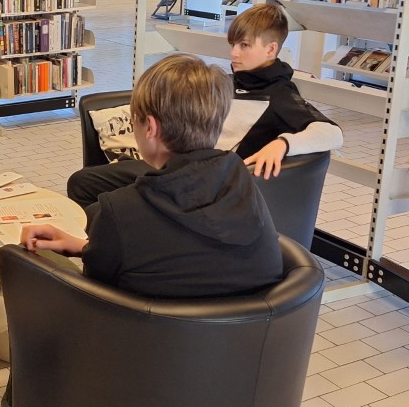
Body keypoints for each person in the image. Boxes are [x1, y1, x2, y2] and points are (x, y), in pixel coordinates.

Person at [22, 53, 282, 298]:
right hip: (248, 328)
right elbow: (184, 255)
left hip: (137, 329)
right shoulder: (244, 185)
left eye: (134, 119)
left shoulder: (120, 211)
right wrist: (83, 247)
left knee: (21, 259)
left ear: (151, 128)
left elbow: (96, 291)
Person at [66, 1, 343, 208]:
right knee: (91, 179)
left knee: (83, 184)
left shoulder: (280, 95)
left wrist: (283, 144)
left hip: (202, 182)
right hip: (181, 164)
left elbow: (332, 133)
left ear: (271, 49)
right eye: (233, 44)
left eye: (244, 46)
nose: (234, 53)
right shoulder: (231, 81)